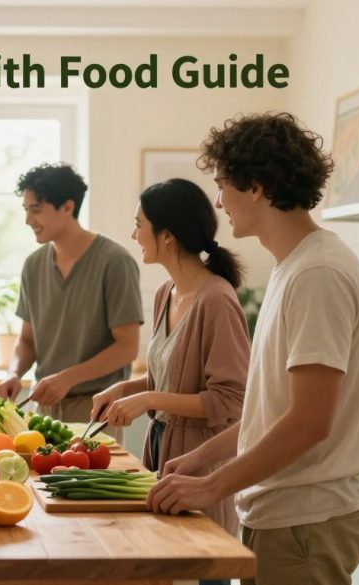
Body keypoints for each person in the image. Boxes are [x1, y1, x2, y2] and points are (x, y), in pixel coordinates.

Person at [147, 113, 359, 585]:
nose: (218, 200)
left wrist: (211, 485)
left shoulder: (318, 273)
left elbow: (309, 422)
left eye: (222, 184)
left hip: (304, 524)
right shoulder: (294, 267)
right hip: (281, 518)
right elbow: (273, 410)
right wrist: (205, 456)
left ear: (255, 186)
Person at [91, 179, 248, 566]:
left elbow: (231, 400)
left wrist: (148, 399)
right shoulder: (167, 293)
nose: (133, 234)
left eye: (139, 223)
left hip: (200, 462)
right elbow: (175, 375)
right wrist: (126, 387)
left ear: (167, 236)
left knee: (202, 568)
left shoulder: (217, 300)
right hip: (161, 450)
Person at [0, 163, 143, 435]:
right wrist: (14, 373)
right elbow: (27, 340)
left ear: (67, 207)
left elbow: (127, 348)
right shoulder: (33, 265)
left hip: (96, 410)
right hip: (43, 410)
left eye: (36, 210)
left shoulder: (115, 262)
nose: (28, 220)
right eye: (26, 210)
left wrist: (67, 379)